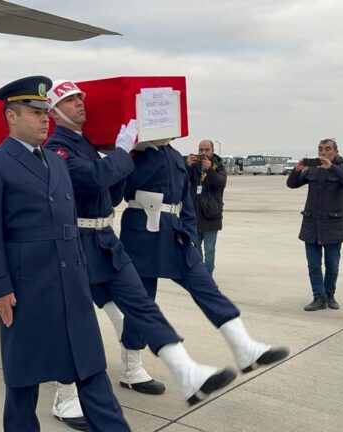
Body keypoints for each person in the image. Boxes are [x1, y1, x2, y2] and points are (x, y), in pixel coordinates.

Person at [44, 80, 235, 428]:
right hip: (75, 242)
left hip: (104, 239)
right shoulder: (57, 148)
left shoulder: (86, 144)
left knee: (140, 303)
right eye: (70, 101)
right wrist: (122, 151)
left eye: (80, 99)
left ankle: (170, 369)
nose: (79, 104)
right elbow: (94, 177)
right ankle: (65, 396)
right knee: (73, 319)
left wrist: (128, 156)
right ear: (53, 112)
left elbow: (112, 192)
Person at [0, 76, 130, 432]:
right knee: (24, 383)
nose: (45, 119)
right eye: (35, 112)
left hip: (72, 283)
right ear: (11, 116)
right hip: (27, 289)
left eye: (45, 112)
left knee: (92, 371)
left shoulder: (56, 161)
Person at [121, 139, 289, 378]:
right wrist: (140, 151)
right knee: (143, 300)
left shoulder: (174, 155)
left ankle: (243, 346)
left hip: (175, 234)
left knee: (205, 285)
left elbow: (185, 199)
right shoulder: (139, 154)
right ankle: (131, 366)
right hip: (143, 235)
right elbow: (125, 189)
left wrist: (189, 235)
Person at [287, 138, 343, 311]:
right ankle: (318, 297)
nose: (323, 152)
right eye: (320, 149)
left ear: (336, 152)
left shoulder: (342, 168)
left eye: (327, 149)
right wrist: (296, 171)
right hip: (312, 224)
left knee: (332, 265)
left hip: (333, 225)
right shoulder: (313, 169)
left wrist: (331, 167)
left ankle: (330, 295)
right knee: (313, 265)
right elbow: (292, 184)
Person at [185, 139, 227, 274]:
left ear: (212, 151)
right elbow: (182, 181)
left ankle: (207, 275)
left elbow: (220, 184)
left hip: (211, 215)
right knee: (196, 249)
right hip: (195, 215)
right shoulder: (194, 166)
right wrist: (187, 166)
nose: (203, 153)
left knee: (209, 250)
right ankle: (200, 274)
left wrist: (210, 169)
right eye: (201, 150)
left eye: (207, 150)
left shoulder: (219, 166)